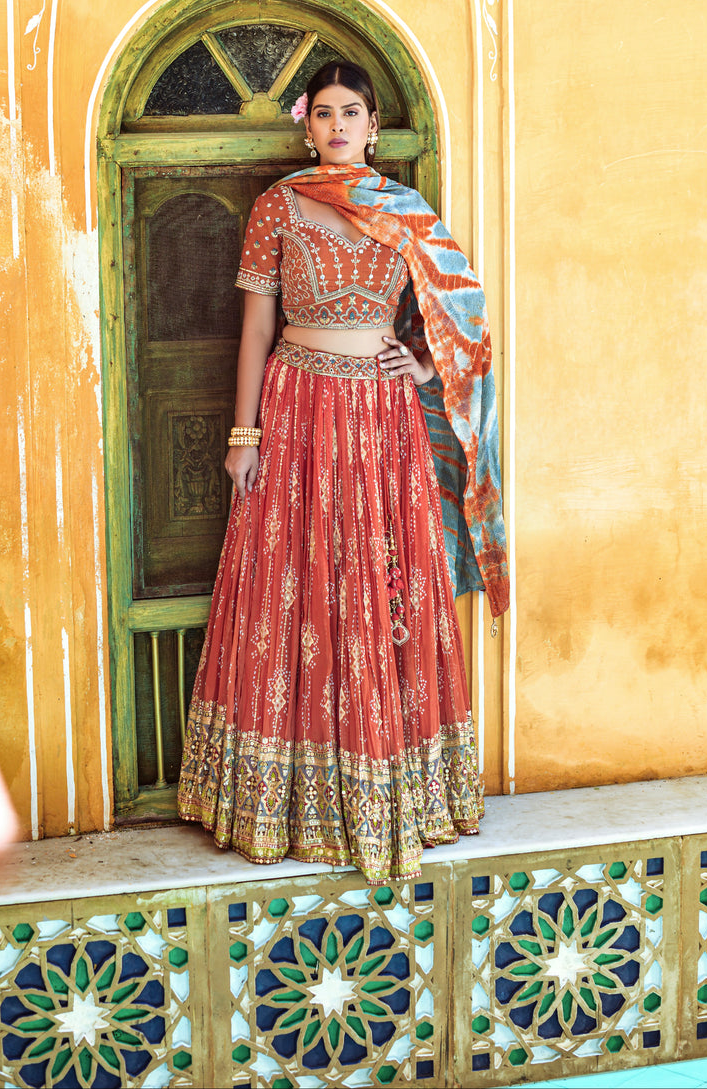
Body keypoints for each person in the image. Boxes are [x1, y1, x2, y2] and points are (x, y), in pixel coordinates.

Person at [177, 60, 509, 883]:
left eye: (350, 112)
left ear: (373, 126)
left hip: (384, 418)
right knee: (295, 581)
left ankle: (397, 789)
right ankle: (283, 799)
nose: (336, 126)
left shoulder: (406, 214)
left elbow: (460, 320)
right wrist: (242, 433)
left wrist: (429, 373)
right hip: (294, 411)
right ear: (306, 125)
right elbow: (255, 330)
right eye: (323, 113)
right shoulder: (278, 207)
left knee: (376, 582)